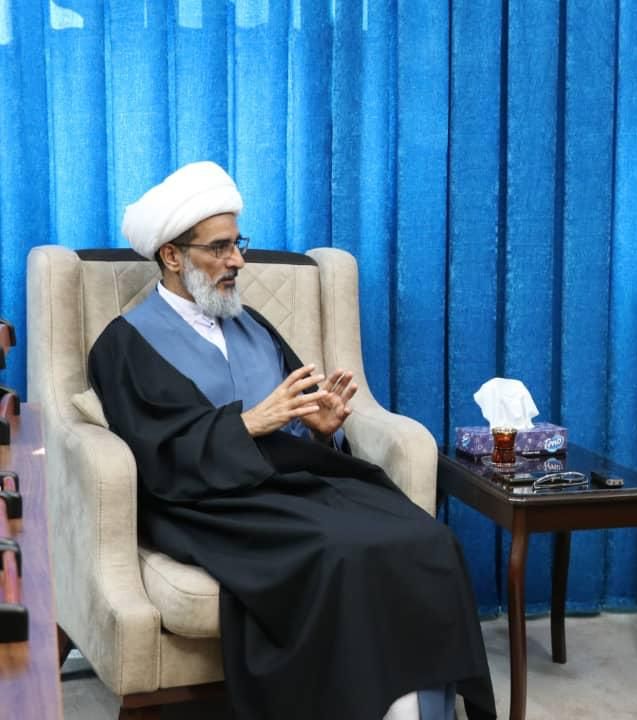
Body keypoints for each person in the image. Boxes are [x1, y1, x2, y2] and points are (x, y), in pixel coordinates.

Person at [88, 161, 495, 720]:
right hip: (209, 503)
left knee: (429, 538)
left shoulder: (251, 323)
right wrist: (248, 424)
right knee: (343, 552)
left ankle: (422, 706)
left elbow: (297, 415)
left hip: (292, 482)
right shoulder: (125, 343)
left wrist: (321, 429)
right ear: (173, 256)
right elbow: (156, 453)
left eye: (238, 245)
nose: (237, 261)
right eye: (219, 248)